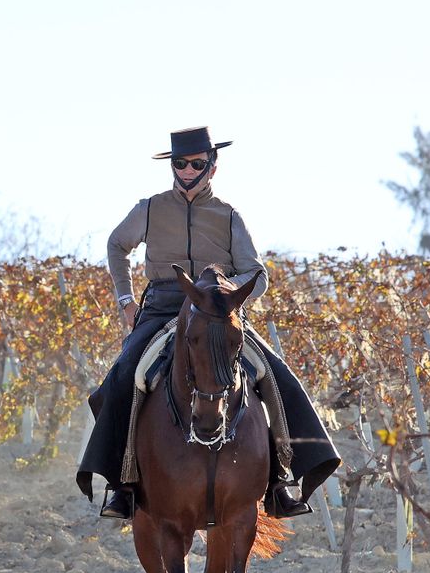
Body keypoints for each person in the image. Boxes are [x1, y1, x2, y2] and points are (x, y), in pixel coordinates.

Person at [77, 127, 340, 519]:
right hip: (164, 307)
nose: (186, 170)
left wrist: (225, 297)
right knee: (121, 377)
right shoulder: (148, 208)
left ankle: (282, 478)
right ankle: (122, 482)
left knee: (275, 374)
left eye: (196, 163)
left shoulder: (229, 216)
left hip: (217, 314)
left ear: (212, 168)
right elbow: (117, 245)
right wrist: (126, 300)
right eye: (179, 163)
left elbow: (258, 274)